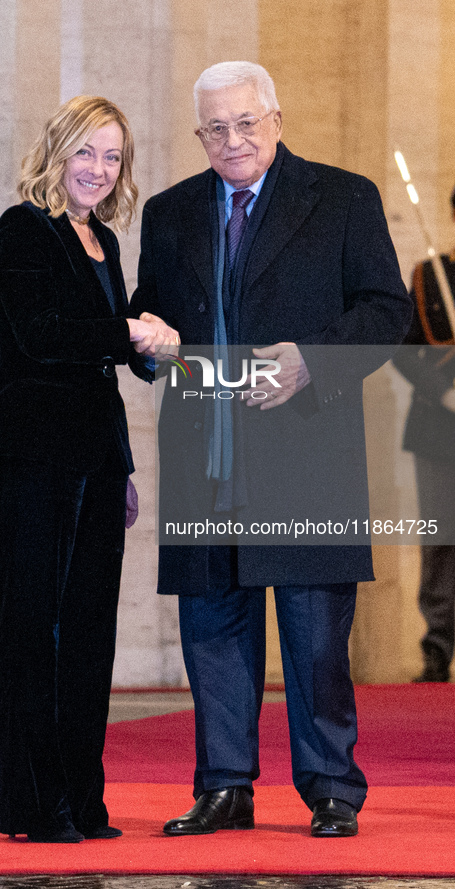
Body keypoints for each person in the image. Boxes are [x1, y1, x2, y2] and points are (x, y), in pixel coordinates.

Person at [129, 62, 411, 838]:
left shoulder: (343, 197)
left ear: (276, 119)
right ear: (199, 135)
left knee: (315, 633)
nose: (232, 140)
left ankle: (330, 788)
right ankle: (224, 784)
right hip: (205, 456)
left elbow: (387, 310)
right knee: (212, 630)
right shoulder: (169, 212)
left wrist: (311, 358)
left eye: (246, 122)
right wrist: (147, 345)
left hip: (306, 457)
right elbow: (148, 320)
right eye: (215, 128)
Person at [0, 95, 178, 843]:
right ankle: (36, 805)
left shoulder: (105, 242)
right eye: (85, 151)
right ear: (57, 151)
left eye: (112, 156)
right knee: (35, 630)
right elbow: (39, 336)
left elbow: (106, 360)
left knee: (89, 633)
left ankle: (82, 800)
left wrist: (152, 350)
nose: (98, 168)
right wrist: (127, 329)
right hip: (29, 455)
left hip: (94, 460)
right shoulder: (21, 228)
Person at [393, 186, 455, 683]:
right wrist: (444, 392)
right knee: (441, 536)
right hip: (438, 426)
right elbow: (403, 349)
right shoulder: (427, 277)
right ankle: (437, 644)